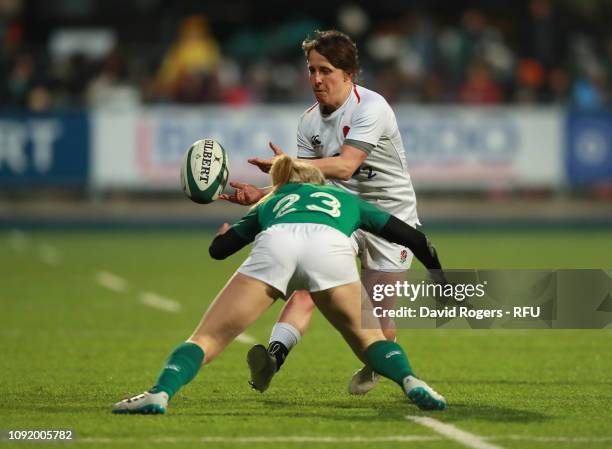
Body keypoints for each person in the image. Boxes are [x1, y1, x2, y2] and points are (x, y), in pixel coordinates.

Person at [112, 156, 446, 414]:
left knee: (207, 338)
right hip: (330, 249)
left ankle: (159, 394)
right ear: (319, 181)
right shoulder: (345, 201)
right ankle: (410, 379)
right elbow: (415, 239)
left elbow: (219, 252)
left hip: (278, 246)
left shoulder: (272, 201)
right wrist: (440, 280)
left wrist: (221, 236)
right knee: (369, 338)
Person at [221, 30, 421, 395]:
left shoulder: (371, 108)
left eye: (325, 70)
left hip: (389, 218)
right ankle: (274, 355)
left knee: (377, 323)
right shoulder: (308, 121)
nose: (316, 79)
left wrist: (286, 162)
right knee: (306, 288)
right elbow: (310, 182)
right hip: (340, 212)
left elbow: (345, 166)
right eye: (311, 70)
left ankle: (376, 364)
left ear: (349, 73)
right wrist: (263, 195)